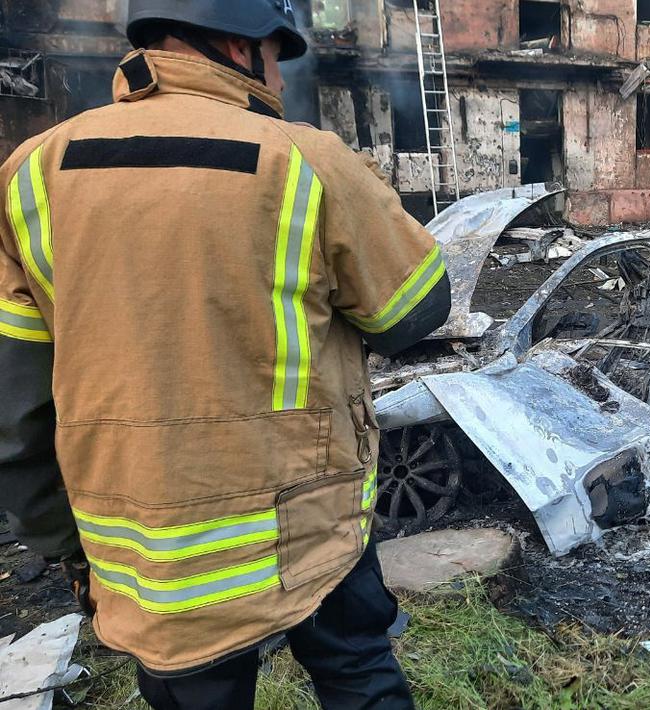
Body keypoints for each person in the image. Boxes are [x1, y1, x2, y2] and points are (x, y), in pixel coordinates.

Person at [0, 1, 451, 707]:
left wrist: (61, 541)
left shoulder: (30, 172)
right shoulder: (304, 159)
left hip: (143, 543)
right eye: (276, 54)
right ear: (239, 48)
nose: (277, 74)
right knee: (358, 674)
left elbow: (17, 399)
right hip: (308, 522)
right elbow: (410, 314)